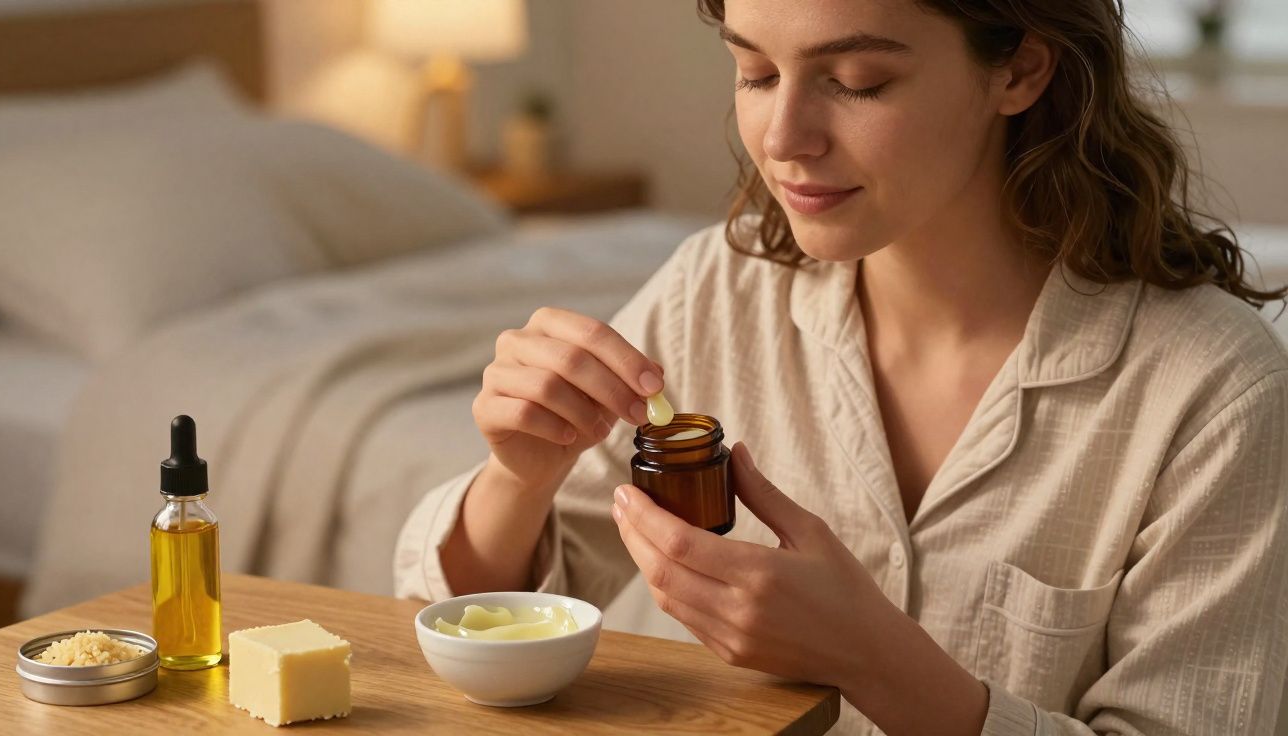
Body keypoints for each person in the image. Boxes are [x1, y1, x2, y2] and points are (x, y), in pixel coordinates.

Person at [396, 1, 1288, 733]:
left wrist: (871, 657)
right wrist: (520, 472)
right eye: (754, 72)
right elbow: (458, 612)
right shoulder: (720, 286)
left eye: (858, 82)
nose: (783, 138)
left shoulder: (1213, 393)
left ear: (1019, 70)